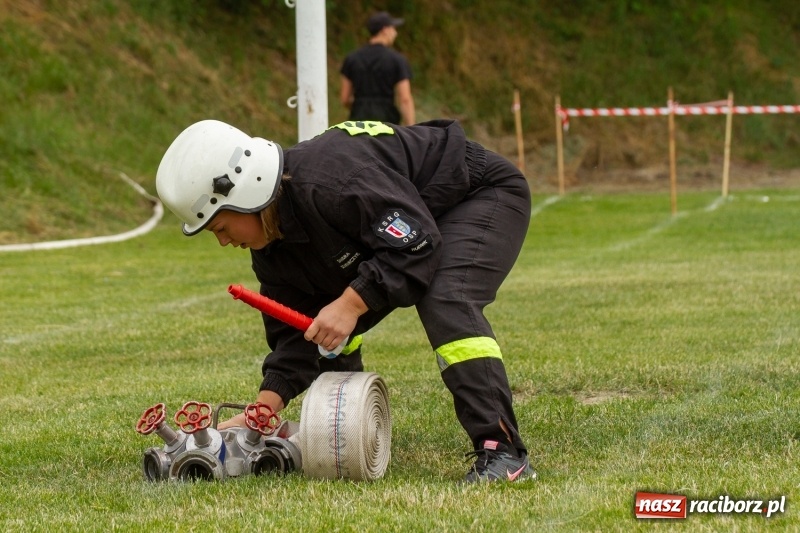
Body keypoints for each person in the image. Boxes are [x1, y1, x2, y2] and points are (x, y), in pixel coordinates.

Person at [155, 118, 534, 483]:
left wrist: (351, 304)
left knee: (445, 297)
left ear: (246, 193)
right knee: (328, 323)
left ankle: (503, 452)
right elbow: (296, 335)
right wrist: (260, 413)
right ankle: (355, 432)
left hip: (476, 193)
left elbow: (416, 246)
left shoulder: (332, 184)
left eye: (220, 226)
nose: (223, 241)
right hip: (414, 222)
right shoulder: (272, 250)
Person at [340, 11, 415, 125]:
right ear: (385, 30)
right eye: (393, 28)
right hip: (386, 123)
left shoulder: (352, 59)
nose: (395, 33)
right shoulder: (397, 60)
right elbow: (405, 99)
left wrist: (361, 109)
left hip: (358, 124)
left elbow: (345, 99)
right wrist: (411, 130)